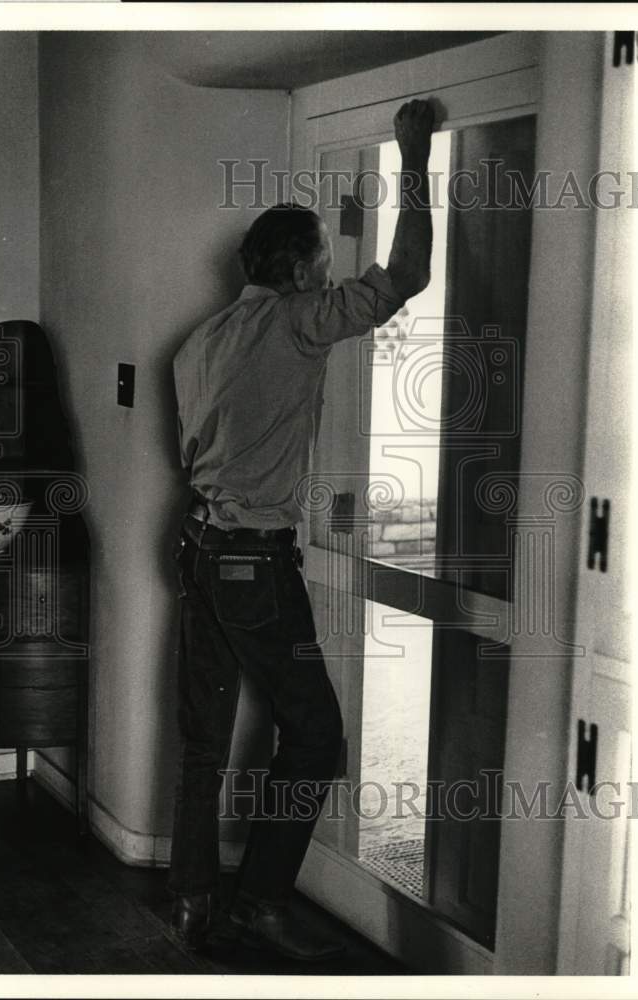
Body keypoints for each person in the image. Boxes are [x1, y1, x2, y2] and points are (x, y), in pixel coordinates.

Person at [168, 99, 435, 962]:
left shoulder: (197, 343)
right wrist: (415, 154)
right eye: (321, 264)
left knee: (203, 743)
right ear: (296, 270)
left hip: (198, 551)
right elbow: (406, 276)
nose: (327, 278)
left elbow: (193, 455)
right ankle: (255, 904)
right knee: (315, 737)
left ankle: (193, 903)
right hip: (250, 563)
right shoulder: (298, 319)